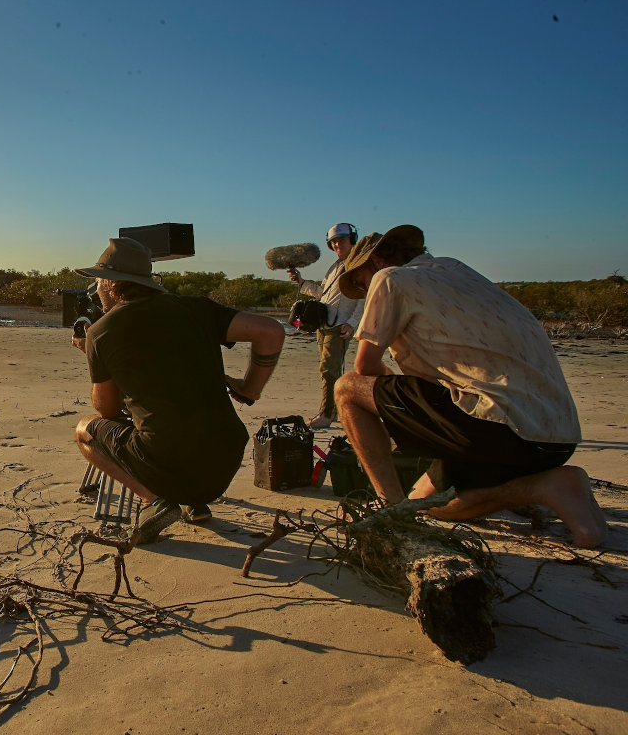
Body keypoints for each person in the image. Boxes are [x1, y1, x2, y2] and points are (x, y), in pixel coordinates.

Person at [333, 225, 606, 548]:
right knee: (428, 501)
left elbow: (365, 368)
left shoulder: (390, 278)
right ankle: (551, 484)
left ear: (377, 260)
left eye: (362, 281)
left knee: (348, 388)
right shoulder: (456, 270)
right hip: (557, 438)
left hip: (500, 427)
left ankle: (392, 510)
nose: (366, 292)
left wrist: (393, 413)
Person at [72, 237, 286, 543]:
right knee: (179, 413)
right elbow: (271, 331)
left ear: (110, 282)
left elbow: (106, 410)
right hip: (223, 464)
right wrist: (249, 389)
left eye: (99, 281)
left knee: (85, 430)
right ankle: (194, 505)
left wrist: (93, 354)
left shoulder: (101, 331)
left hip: (167, 462)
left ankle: (154, 500)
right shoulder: (197, 308)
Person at [287, 223, 361, 429]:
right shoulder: (336, 266)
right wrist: (302, 283)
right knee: (328, 371)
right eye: (334, 241)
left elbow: (364, 297)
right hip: (325, 325)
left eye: (342, 240)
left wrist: (352, 323)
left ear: (352, 240)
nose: (337, 244)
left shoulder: (358, 265)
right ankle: (333, 411)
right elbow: (324, 294)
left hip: (340, 326)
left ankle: (327, 415)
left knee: (329, 370)